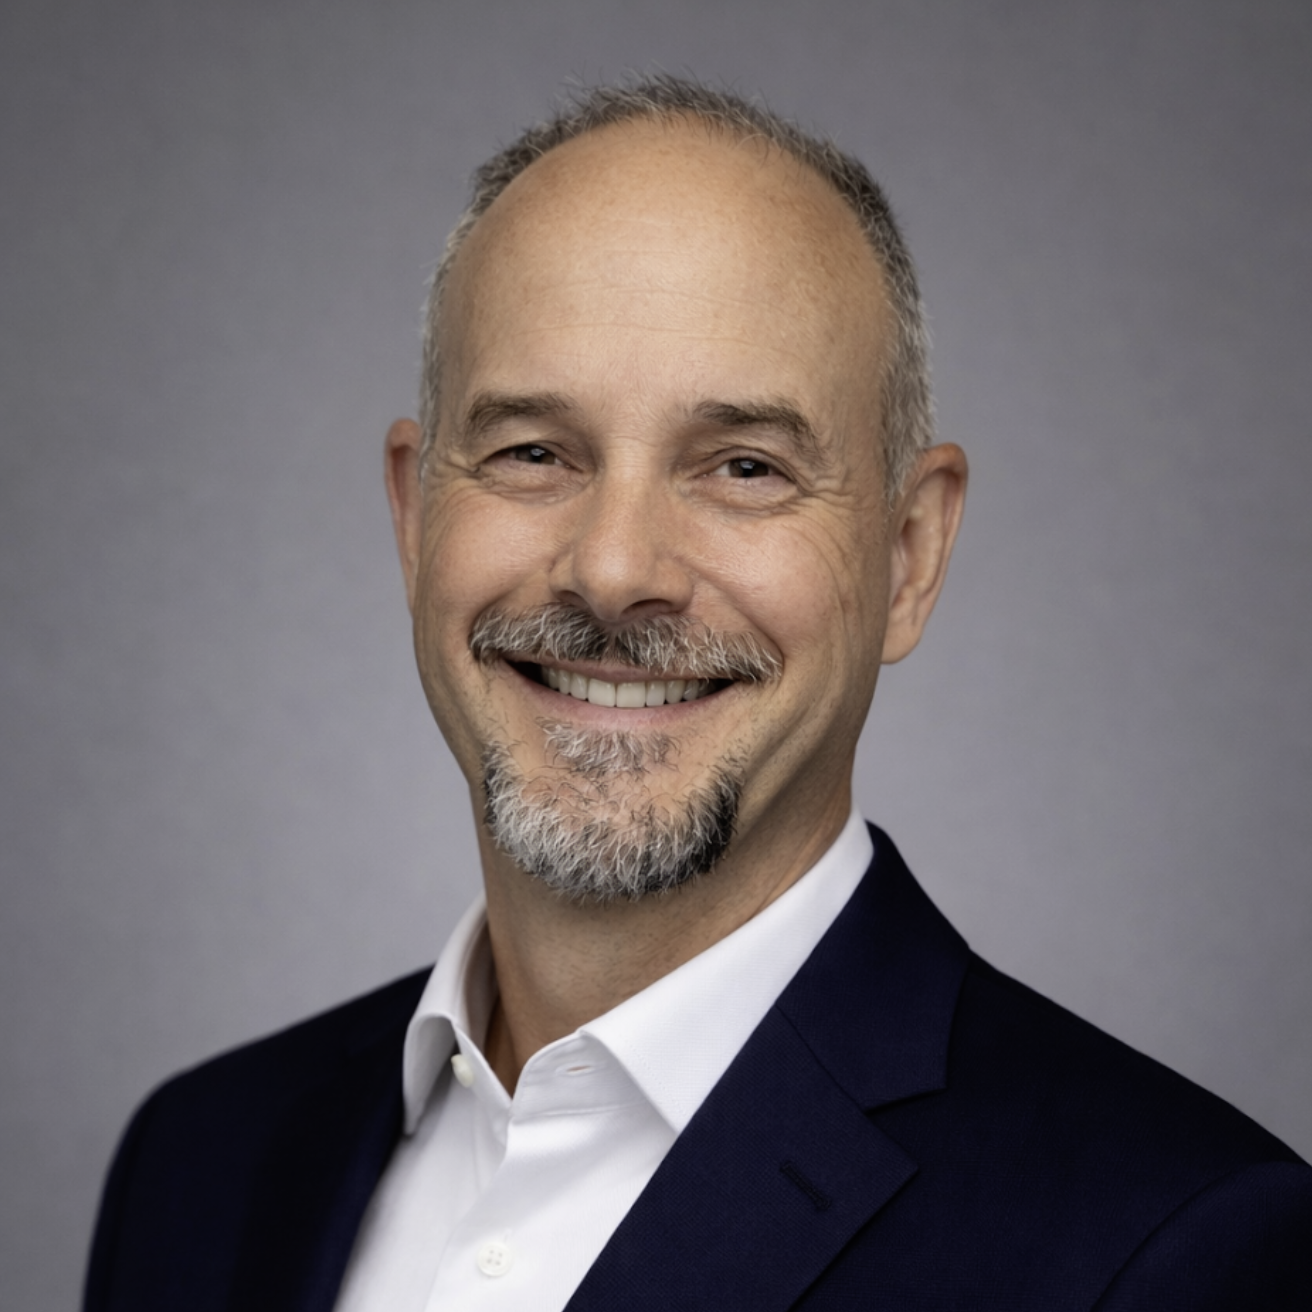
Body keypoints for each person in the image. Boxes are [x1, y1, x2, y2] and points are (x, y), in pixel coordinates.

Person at [83, 77, 1312, 1312]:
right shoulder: (199, 1164)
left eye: (743, 467)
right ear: (414, 517)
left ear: (907, 555)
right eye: (532, 451)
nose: (615, 569)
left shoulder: (1175, 1249)